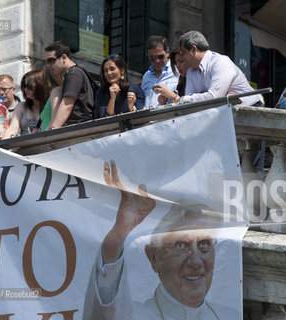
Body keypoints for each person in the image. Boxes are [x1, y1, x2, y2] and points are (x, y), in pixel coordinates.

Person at [82, 161, 239, 320]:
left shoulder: (229, 316)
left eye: (204, 244)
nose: (196, 262)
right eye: (181, 245)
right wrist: (118, 234)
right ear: (153, 257)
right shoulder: (133, 316)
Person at [168, 30, 259, 106]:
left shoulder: (220, 62)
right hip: (227, 114)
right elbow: (189, 104)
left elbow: (214, 97)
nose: (183, 58)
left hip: (252, 112)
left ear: (193, 49)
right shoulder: (191, 71)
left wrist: (186, 98)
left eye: (184, 53)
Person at [44, 41, 97, 129]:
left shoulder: (73, 73)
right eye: (47, 62)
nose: (49, 65)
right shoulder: (76, 72)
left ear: (64, 57)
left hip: (79, 128)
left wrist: (52, 131)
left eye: (51, 60)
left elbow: (67, 105)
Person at [3, 70, 47, 138]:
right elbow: (12, 129)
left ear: (40, 85)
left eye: (29, 86)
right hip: (25, 146)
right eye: (24, 86)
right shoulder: (21, 106)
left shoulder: (49, 105)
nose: (26, 90)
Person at [141, 36, 178, 108]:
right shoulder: (146, 76)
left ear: (168, 53)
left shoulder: (177, 70)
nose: (157, 61)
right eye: (152, 58)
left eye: (160, 56)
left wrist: (170, 95)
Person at [40, 65, 64, 131]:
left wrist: (44, 136)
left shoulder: (56, 91)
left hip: (48, 136)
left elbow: (54, 118)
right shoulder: (52, 94)